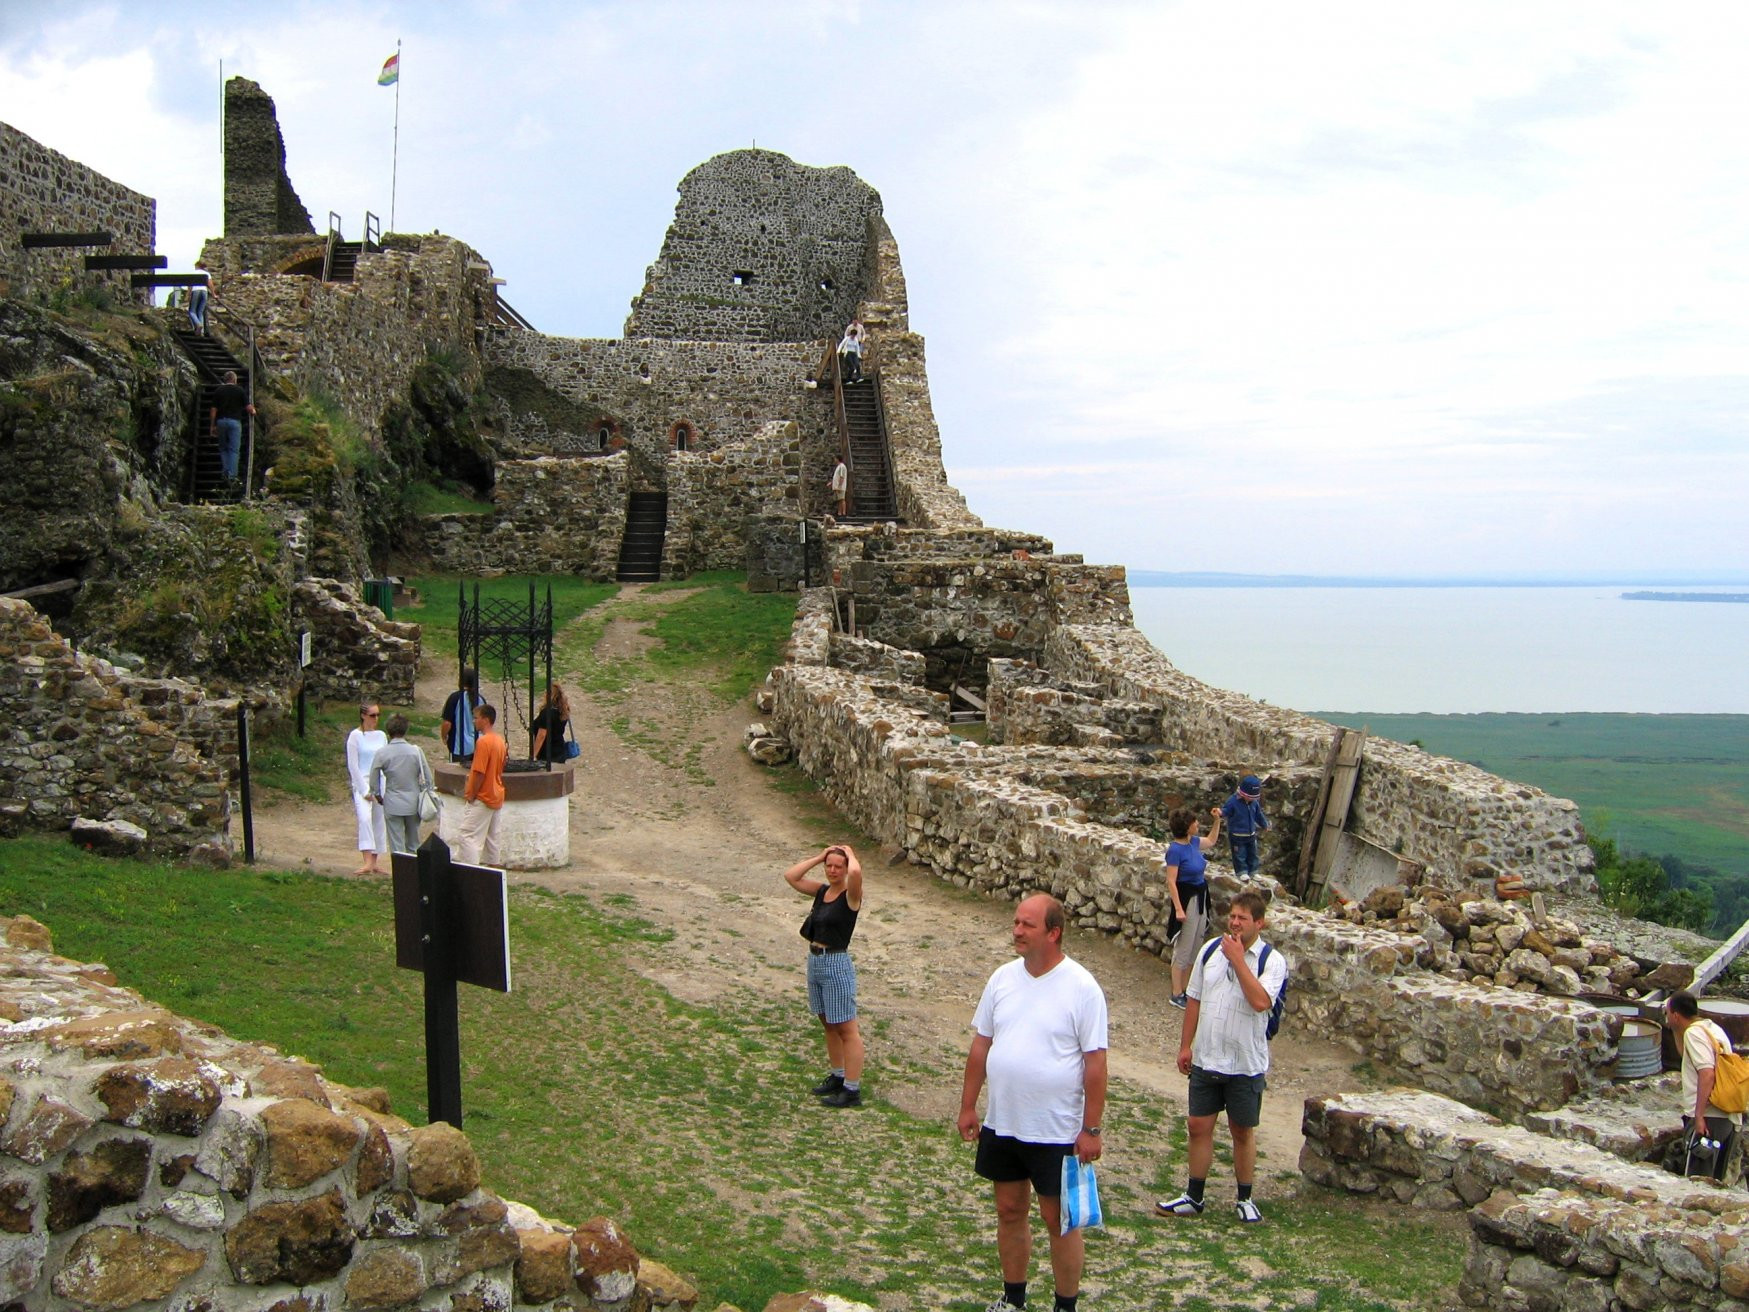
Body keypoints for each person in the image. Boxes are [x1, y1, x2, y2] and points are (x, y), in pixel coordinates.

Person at [958, 894, 1108, 1312]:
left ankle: (1065, 1306)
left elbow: (1096, 1063)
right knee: (1008, 1210)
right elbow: (981, 1044)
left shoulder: (1082, 988)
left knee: (1058, 1221)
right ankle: (1014, 1299)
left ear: (1053, 933)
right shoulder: (1002, 979)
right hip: (1004, 1121)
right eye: (1016, 922)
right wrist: (969, 1106)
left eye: (1027, 925)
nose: (1017, 931)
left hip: (1055, 1129)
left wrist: (1091, 1128)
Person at [1157, 889, 1287, 1224]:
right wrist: (1186, 1045)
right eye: (1232, 916)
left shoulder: (1271, 961)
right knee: (1198, 1125)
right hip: (1207, 1058)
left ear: (1259, 922)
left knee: (1242, 1130)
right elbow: (1195, 999)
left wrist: (1239, 960)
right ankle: (1194, 1195)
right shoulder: (1210, 951)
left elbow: (1261, 1001)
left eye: (1243, 918)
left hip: (1245, 1063)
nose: (1235, 922)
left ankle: (1245, 1197)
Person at [783, 845, 867, 1108]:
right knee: (828, 1023)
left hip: (836, 962)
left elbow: (856, 872)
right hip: (816, 961)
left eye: (837, 866)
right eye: (828, 866)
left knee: (846, 1028)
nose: (832, 870)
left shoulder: (851, 896)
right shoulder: (822, 891)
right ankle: (838, 1075)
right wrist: (820, 856)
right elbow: (791, 876)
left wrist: (850, 854)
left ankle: (851, 1089)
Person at [1664, 992, 1742, 1181]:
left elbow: (1706, 1072)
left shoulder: (1694, 1033)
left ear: (1675, 1015)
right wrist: (1675, 1030)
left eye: (1667, 1013)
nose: (1665, 1018)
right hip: (1727, 1117)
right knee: (1715, 1179)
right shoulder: (1712, 1029)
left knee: (1698, 1180)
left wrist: (1699, 1116)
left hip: (1709, 1117)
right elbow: (1688, 1058)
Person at [1164, 806, 1222, 1008]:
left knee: (1196, 944)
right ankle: (1176, 992)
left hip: (1200, 898)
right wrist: (1179, 909)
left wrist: (1217, 821)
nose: (1198, 824)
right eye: (1195, 822)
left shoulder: (1194, 843)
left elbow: (1212, 841)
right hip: (1187, 900)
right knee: (1184, 946)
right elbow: (1171, 881)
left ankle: (1187, 989)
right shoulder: (1175, 850)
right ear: (1187, 827)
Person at [369, 714, 433, 856]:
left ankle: (401, 873)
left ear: (388, 731)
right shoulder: (416, 751)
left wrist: (378, 795)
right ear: (406, 730)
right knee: (413, 843)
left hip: (392, 801)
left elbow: (373, 777)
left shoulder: (382, 753)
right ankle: (415, 873)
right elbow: (428, 777)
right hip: (413, 802)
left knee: (396, 844)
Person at [455, 702, 507, 867]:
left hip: (483, 795)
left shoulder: (483, 742)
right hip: (496, 792)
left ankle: (471, 869)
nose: (474, 721)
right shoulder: (499, 740)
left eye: (476, 718)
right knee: (492, 837)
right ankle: (493, 868)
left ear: (485, 720)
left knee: (467, 834)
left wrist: (472, 794)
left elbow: (479, 772)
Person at [345, 702, 388, 875]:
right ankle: (367, 860)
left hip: (380, 781)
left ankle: (375, 861)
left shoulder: (381, 735)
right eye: (372, 715)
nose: (375, 719)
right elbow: (353, 765)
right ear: (363, 716)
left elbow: (385, 759)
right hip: (363, 780)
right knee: (364, 818)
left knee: (379, 820)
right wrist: (364, 790)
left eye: (378, 715)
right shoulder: (355, 736)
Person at [208, 370, 254, 487]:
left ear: (225, 379)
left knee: (223, 448)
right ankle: (232, 477)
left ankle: (225, 473)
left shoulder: (219, 391)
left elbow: (213, 410)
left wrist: (212, 425)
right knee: (234, 450)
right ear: (234, 379)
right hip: (234, 422)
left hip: (221, 422)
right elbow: (249, 408)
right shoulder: (240, 390)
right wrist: (254, 411)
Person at [1220, 775, 1269, 878]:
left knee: (1253, 854)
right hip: (1237, 834)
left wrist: (1264, 824)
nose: (1252, 800)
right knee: (1239, 855)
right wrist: (1220, 813)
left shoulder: (1254, 803)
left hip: (1251, 834)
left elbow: (1258, 815)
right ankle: (1242, 871)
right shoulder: (1233, 801)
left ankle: (1253, 871)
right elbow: (1226, 811)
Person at [440, 668, 480, 764]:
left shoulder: (455, 698)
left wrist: (444, 736)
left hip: (460, 746)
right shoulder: (480, 699)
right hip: (479, 745)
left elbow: (447, 723)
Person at [530, 681, 573, 765]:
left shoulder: (546, 713)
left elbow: (541, 735)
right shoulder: (563, 711)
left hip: (547, 753)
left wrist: (533, 755)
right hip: (560, 751)